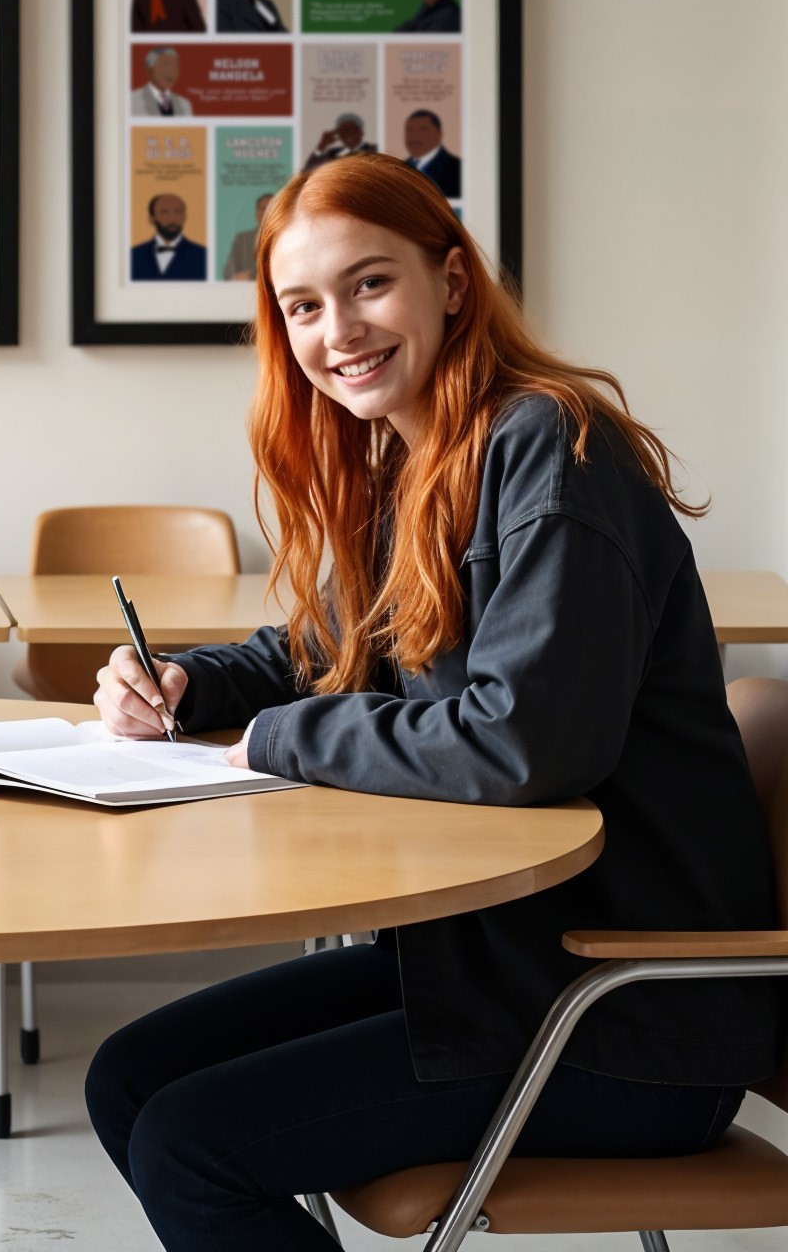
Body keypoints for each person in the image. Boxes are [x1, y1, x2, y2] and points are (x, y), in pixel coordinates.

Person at [87, 154, 778, 1252]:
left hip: (619, 1017)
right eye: (302, 305)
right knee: (126, 1076)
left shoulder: (553, 448)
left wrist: (273, 737)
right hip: (496, 967)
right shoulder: (413, 463)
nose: (336, 330)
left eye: (369, 283)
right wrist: (189, 682)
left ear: (450, 281)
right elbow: (321, 647)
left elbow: (520, 744)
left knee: (188, 1141)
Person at [129, 190, 207, 280]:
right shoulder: (133, 255)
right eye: (164, 212)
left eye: (178, 212)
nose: (172, 218)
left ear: (185, 217)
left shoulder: (203, 256)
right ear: (151, 219)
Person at [403, 107, 462, 199]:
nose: (414, 136)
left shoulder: (457, 168)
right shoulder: (399, 167)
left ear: (439, 135)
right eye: (410, 130)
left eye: (423, 130)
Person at [223, 189, 273, 281]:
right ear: (256, 214)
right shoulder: (242, 239)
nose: (266, 212)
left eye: (270, 208)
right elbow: (228, 271)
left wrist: (250, 276)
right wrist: (234, 278)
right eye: (262, 208)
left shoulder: (286, 239)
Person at [130, 46, 192, 119]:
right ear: (150, 69)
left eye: (175, 65)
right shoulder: (132, 100)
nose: (171, 71)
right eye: (165, 64)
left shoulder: (185, 104)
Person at [305, 111, 376, 169]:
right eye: (342, 131)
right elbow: (308, 172)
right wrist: (322, 145)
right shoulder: (333, 153)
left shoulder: (373, 150)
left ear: (360, 132)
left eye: (349, 130)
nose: (346, 134)